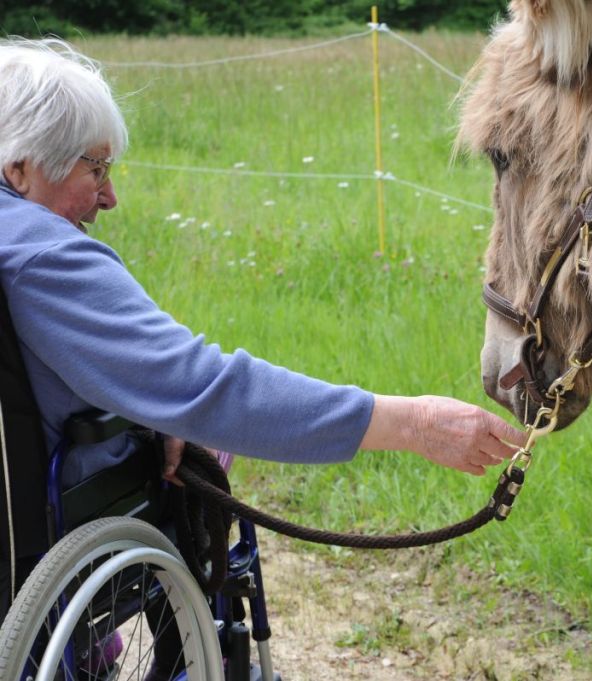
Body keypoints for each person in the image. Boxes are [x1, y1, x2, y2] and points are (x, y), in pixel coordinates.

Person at [0, 35, 525, 667]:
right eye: (96, 169)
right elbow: (208, 389)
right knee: (210, 452)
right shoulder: (41, 254)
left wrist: (151, 407)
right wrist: (410, 424)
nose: (110, 198)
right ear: (19, 169)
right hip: (61, 525)